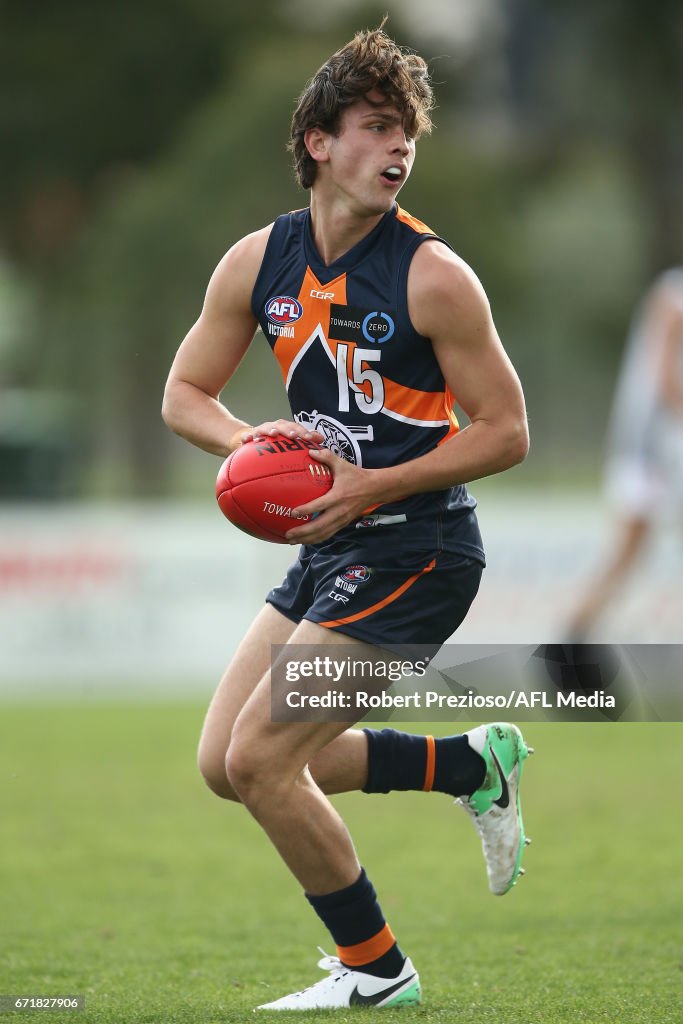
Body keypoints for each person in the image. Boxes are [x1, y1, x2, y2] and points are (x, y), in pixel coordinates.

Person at [162, 24, 531, 1012]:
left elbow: (505, 432)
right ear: (320, 143)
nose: (399, 147)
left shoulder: (433, 276)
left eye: (407, 131)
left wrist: (368, 485)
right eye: (375, 126)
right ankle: (465, 761)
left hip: (418, 549)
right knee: (223, 765)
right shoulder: (259, 260)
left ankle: (377, 970)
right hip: (329, 552)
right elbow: (184, 394)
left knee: (259, 757)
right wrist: (257, 445)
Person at [566, 267, 683, 640]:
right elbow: (665, 378)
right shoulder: (674, 295)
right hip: (653, 452)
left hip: (654, 450)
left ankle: (570, 644)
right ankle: (570, 646)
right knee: (624, 558)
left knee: (624, 559)